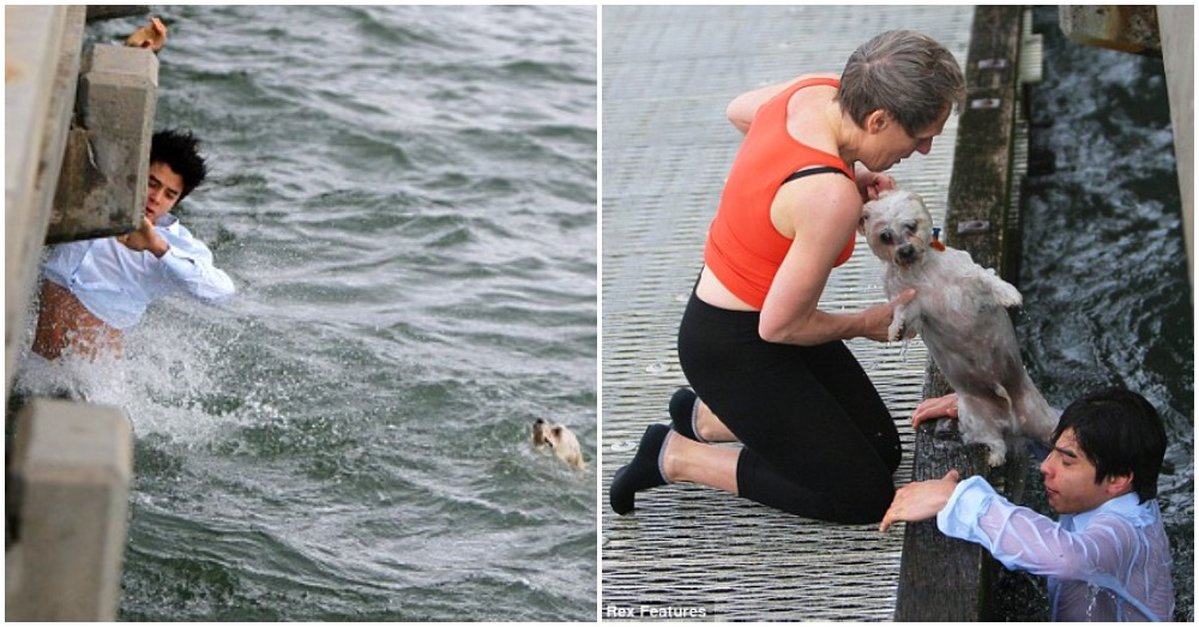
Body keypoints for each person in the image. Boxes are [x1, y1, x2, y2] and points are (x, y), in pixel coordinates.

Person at [609, 30, 966, 523]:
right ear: (879, 119)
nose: (925, 150)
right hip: (731, 348)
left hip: (760, 316)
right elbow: (778, 328)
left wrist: (840, 171)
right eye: (920, 136)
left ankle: (709, 418)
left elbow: (740, 110)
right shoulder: (830, 198)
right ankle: (675, 454)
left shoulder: (814, 92)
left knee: (883, 451)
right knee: (864, 498)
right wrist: (866, 322)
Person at [880, 388, 1175, 621]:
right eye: (1054, 452)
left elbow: (1066, 558)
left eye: (1066, 461)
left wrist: (956, 498)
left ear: (1119, 479)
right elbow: (1051, 430)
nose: (1046, 466)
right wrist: (993, 411)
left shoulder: (1125, 532)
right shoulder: (1120, 478)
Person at [32, 128, 235, 360]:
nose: (156, 198)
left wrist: (157, 248)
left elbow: (222, 292)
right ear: (137, 172)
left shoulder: (173, 244)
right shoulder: (94, 201)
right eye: (152, 183)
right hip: (38, 362)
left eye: (170, 195)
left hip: (91, 377)